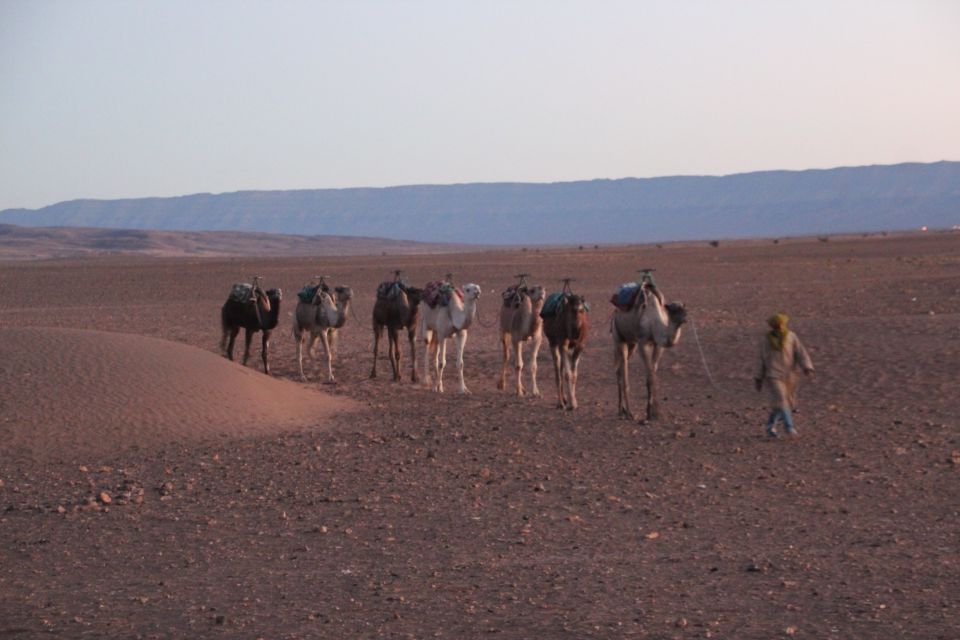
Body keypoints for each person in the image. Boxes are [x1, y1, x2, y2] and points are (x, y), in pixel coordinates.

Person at [754, 313, 814, 437]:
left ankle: (770, 426)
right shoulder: (766, 340)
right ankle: (789, 427)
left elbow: (800, 352)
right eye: (777, 324)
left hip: (790, 374)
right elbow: (760, 359)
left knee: (786, 402)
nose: (780, 326)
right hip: (773, 375)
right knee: (782, 399)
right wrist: (758, 378)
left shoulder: (791, 337)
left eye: (781, 324)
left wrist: (806, 367)